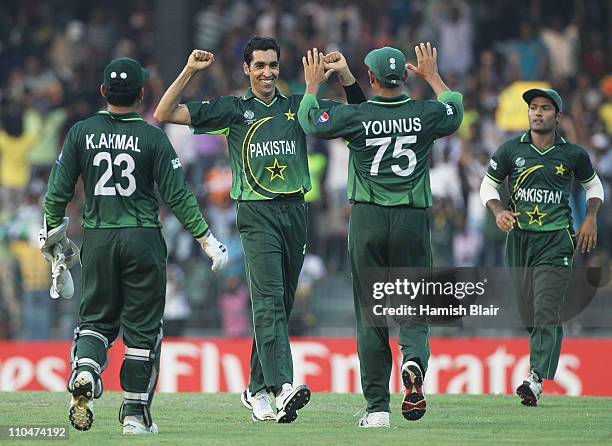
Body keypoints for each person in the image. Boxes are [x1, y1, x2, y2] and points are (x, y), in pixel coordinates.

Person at [154, 36, 366, 423]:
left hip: (295, 214)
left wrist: (348, 76)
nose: (267, 73)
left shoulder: (298, 106)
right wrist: (189, 71)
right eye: (260, 66)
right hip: (256, 214)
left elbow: (362, 117)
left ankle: (255, 389)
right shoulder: (235, 109)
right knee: (267, 302)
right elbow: (165, 111)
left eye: (273, 65)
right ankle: (283, 386)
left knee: (280, 306)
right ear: (246, 69)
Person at [40, 57, 228, 434]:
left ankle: (87, 370)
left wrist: (51, 235)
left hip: (99, 238)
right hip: (143, 238)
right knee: (142, 332)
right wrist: (206, 239)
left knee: (95, 322)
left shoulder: (80, 132)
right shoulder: (153, 136)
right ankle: (135, 415)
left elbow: (57, 191)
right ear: (142, 94)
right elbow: (178, 195)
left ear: (103, 92)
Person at [298, 43, 463, 427]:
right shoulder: (424, 114)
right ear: (405, 77)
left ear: (371, 79)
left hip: (368, 219)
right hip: (411, 220)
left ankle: (376, 410)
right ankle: (412, 362)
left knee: (371, 318)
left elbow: (311, 121)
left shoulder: (356, 117)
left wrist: (312, 85)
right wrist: (433, 76)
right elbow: (454, 109)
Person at [479, 88, 604, 406]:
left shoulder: (573, 155)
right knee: (530, 312)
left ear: (557, 116)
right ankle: (539, 367)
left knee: (546, 308)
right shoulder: (510, 150)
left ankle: (535, 379)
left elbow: (594, 185)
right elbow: (488, 184)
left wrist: (590, 218)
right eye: (533, 107)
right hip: (520, 241)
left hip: (557, 241)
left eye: (545, 108)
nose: (537, 113)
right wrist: (498, 211)